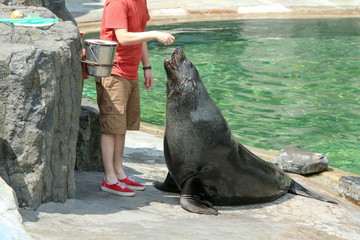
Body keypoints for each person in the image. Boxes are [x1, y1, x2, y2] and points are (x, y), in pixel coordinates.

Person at [97, 0, 175, 196]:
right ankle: (109, 178)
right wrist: (155, 34)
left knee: (122, 126)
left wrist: (146, 68)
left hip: (130, 72)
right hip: (113, 71)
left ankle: (119, 173)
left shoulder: (140, 1)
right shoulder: (118, 3)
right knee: (111, 126)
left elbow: (140, 37)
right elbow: (122, 37)